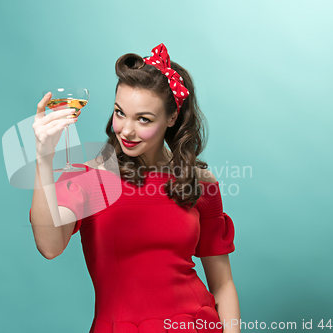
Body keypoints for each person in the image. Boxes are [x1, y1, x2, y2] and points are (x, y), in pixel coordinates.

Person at [30, 43, 240, 333]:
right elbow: (50, 247)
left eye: (143, 119)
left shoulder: (199, 183)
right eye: (119, 113)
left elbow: (223, 283)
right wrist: (43, 158)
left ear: (172, 118)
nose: (126, 130)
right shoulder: (92, 177)